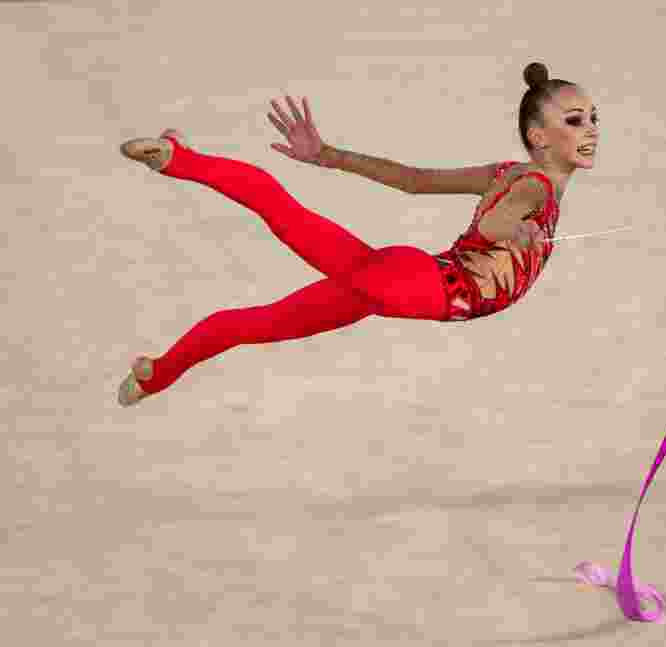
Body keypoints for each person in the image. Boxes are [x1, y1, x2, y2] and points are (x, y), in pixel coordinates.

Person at [117, 62, 600, 406]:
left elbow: (415, 180)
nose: (591, 129)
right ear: (538, 137)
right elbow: (497, 223)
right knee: (274, 248)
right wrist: (516, 229)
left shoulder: (508, 172)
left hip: (404, 278)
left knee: (262, 306)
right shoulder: (535, 189)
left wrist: (328, 155)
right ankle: (179, 159)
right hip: (417, 284)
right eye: (575, 121)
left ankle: (157, 374)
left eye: (593, 118)